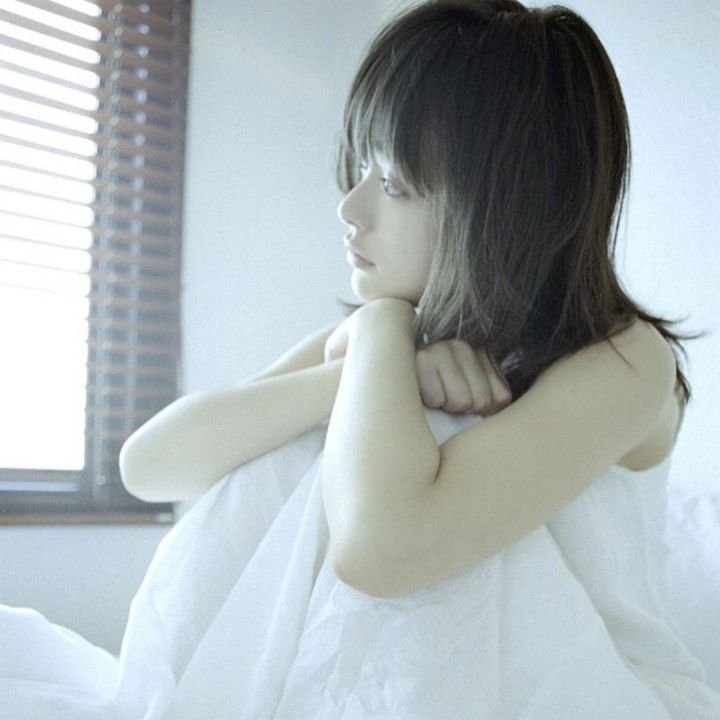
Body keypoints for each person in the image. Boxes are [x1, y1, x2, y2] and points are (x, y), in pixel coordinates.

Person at [4, 2, 717, 719]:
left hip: (589, 691)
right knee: (335, 425)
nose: (349, 207)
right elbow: (151, 465)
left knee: (413, 444)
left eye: (395, 184)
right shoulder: (393, 336)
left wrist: (378, 332)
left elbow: (383, 549)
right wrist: (363, 360)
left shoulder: (627, 360)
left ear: (511, 208)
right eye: (362, 169)